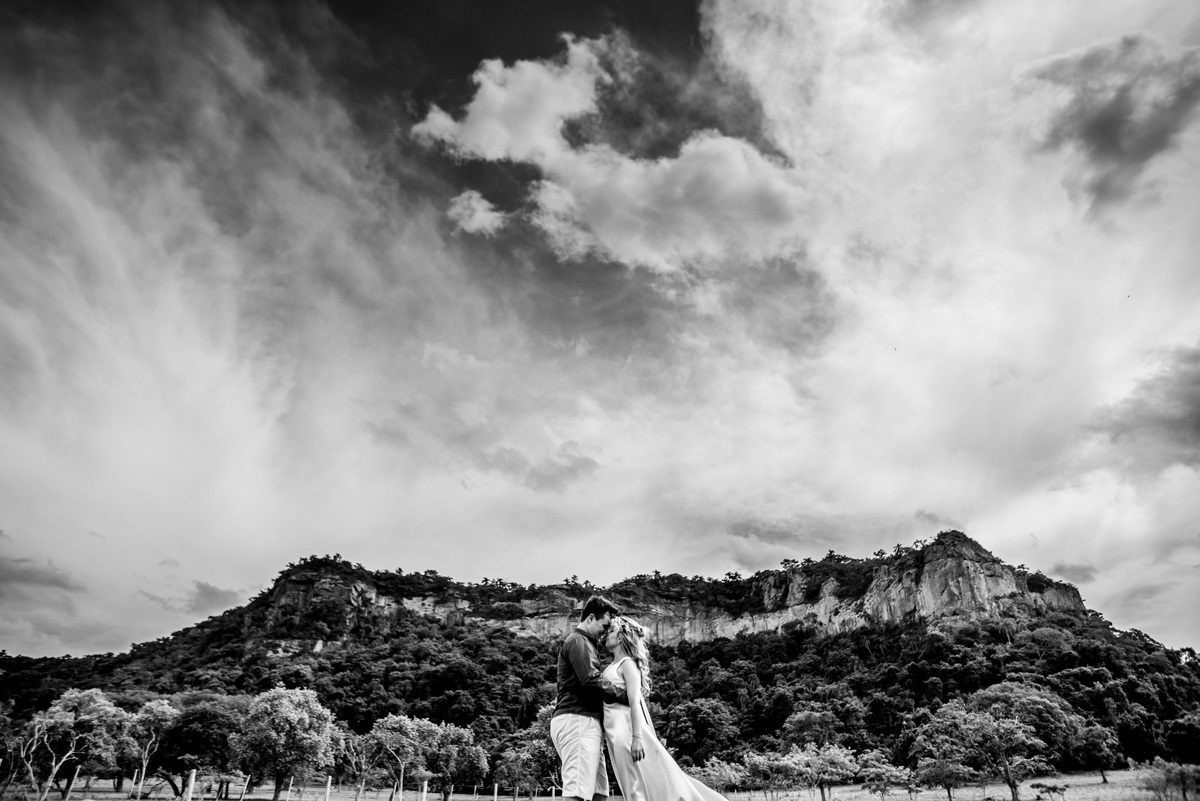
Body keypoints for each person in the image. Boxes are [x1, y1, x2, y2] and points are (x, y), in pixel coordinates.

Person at [601, 616, 729, 801]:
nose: (607, 634)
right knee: (631, 782)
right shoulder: (612, 665)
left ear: (621, 637)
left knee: (635, 783)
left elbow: (635, 702)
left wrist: (636, 738)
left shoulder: (627, 663)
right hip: (613, 730)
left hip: (625, 730)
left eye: (611, 631)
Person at [552, 595, 623, 801]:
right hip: (577, 720)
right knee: (576, 793)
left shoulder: (586, 643)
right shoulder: (578, 641)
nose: (606, 631)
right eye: (604, 625)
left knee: (599, 792)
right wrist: (625, 696)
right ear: (591, 618)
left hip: (586, 723)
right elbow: (591, 680)